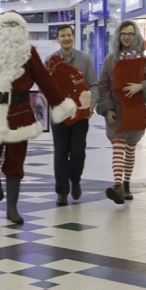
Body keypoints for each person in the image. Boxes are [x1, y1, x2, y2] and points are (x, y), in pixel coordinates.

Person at [0, 11, 77, 224]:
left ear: (22, 29)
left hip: (18, 112)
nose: (10, 30)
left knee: (15, 160)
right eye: (6, 25)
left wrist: (60, 103)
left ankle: (12, 207)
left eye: (14, 25)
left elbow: (44, 80)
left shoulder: (29, 52)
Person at [97, 19, 146, 205]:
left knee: (130, 150)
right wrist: (107, 108)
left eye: (130, 34)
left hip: (136, 111)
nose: (127, 37)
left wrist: (141, 86)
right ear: (118, 36)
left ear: (136, 35)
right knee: (117, 147)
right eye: (123, 34)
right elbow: (103, 85)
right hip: (116, 111)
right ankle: (117, 186)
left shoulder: (144, 60)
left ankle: (126, 184)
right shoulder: (110, 60)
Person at [47, 24, 98, 206]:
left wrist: (91, 105)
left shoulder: (84, 59)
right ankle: (62, 191)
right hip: (59, 114)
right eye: (62, 35)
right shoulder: (51, 61)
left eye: (69, 35)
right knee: (61, 152)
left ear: (73, 37)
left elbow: (93, 84)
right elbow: (46, 87)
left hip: (80, 114)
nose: (66, 38)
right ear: (57, 39)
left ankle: (75, 180)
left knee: (77, 151)